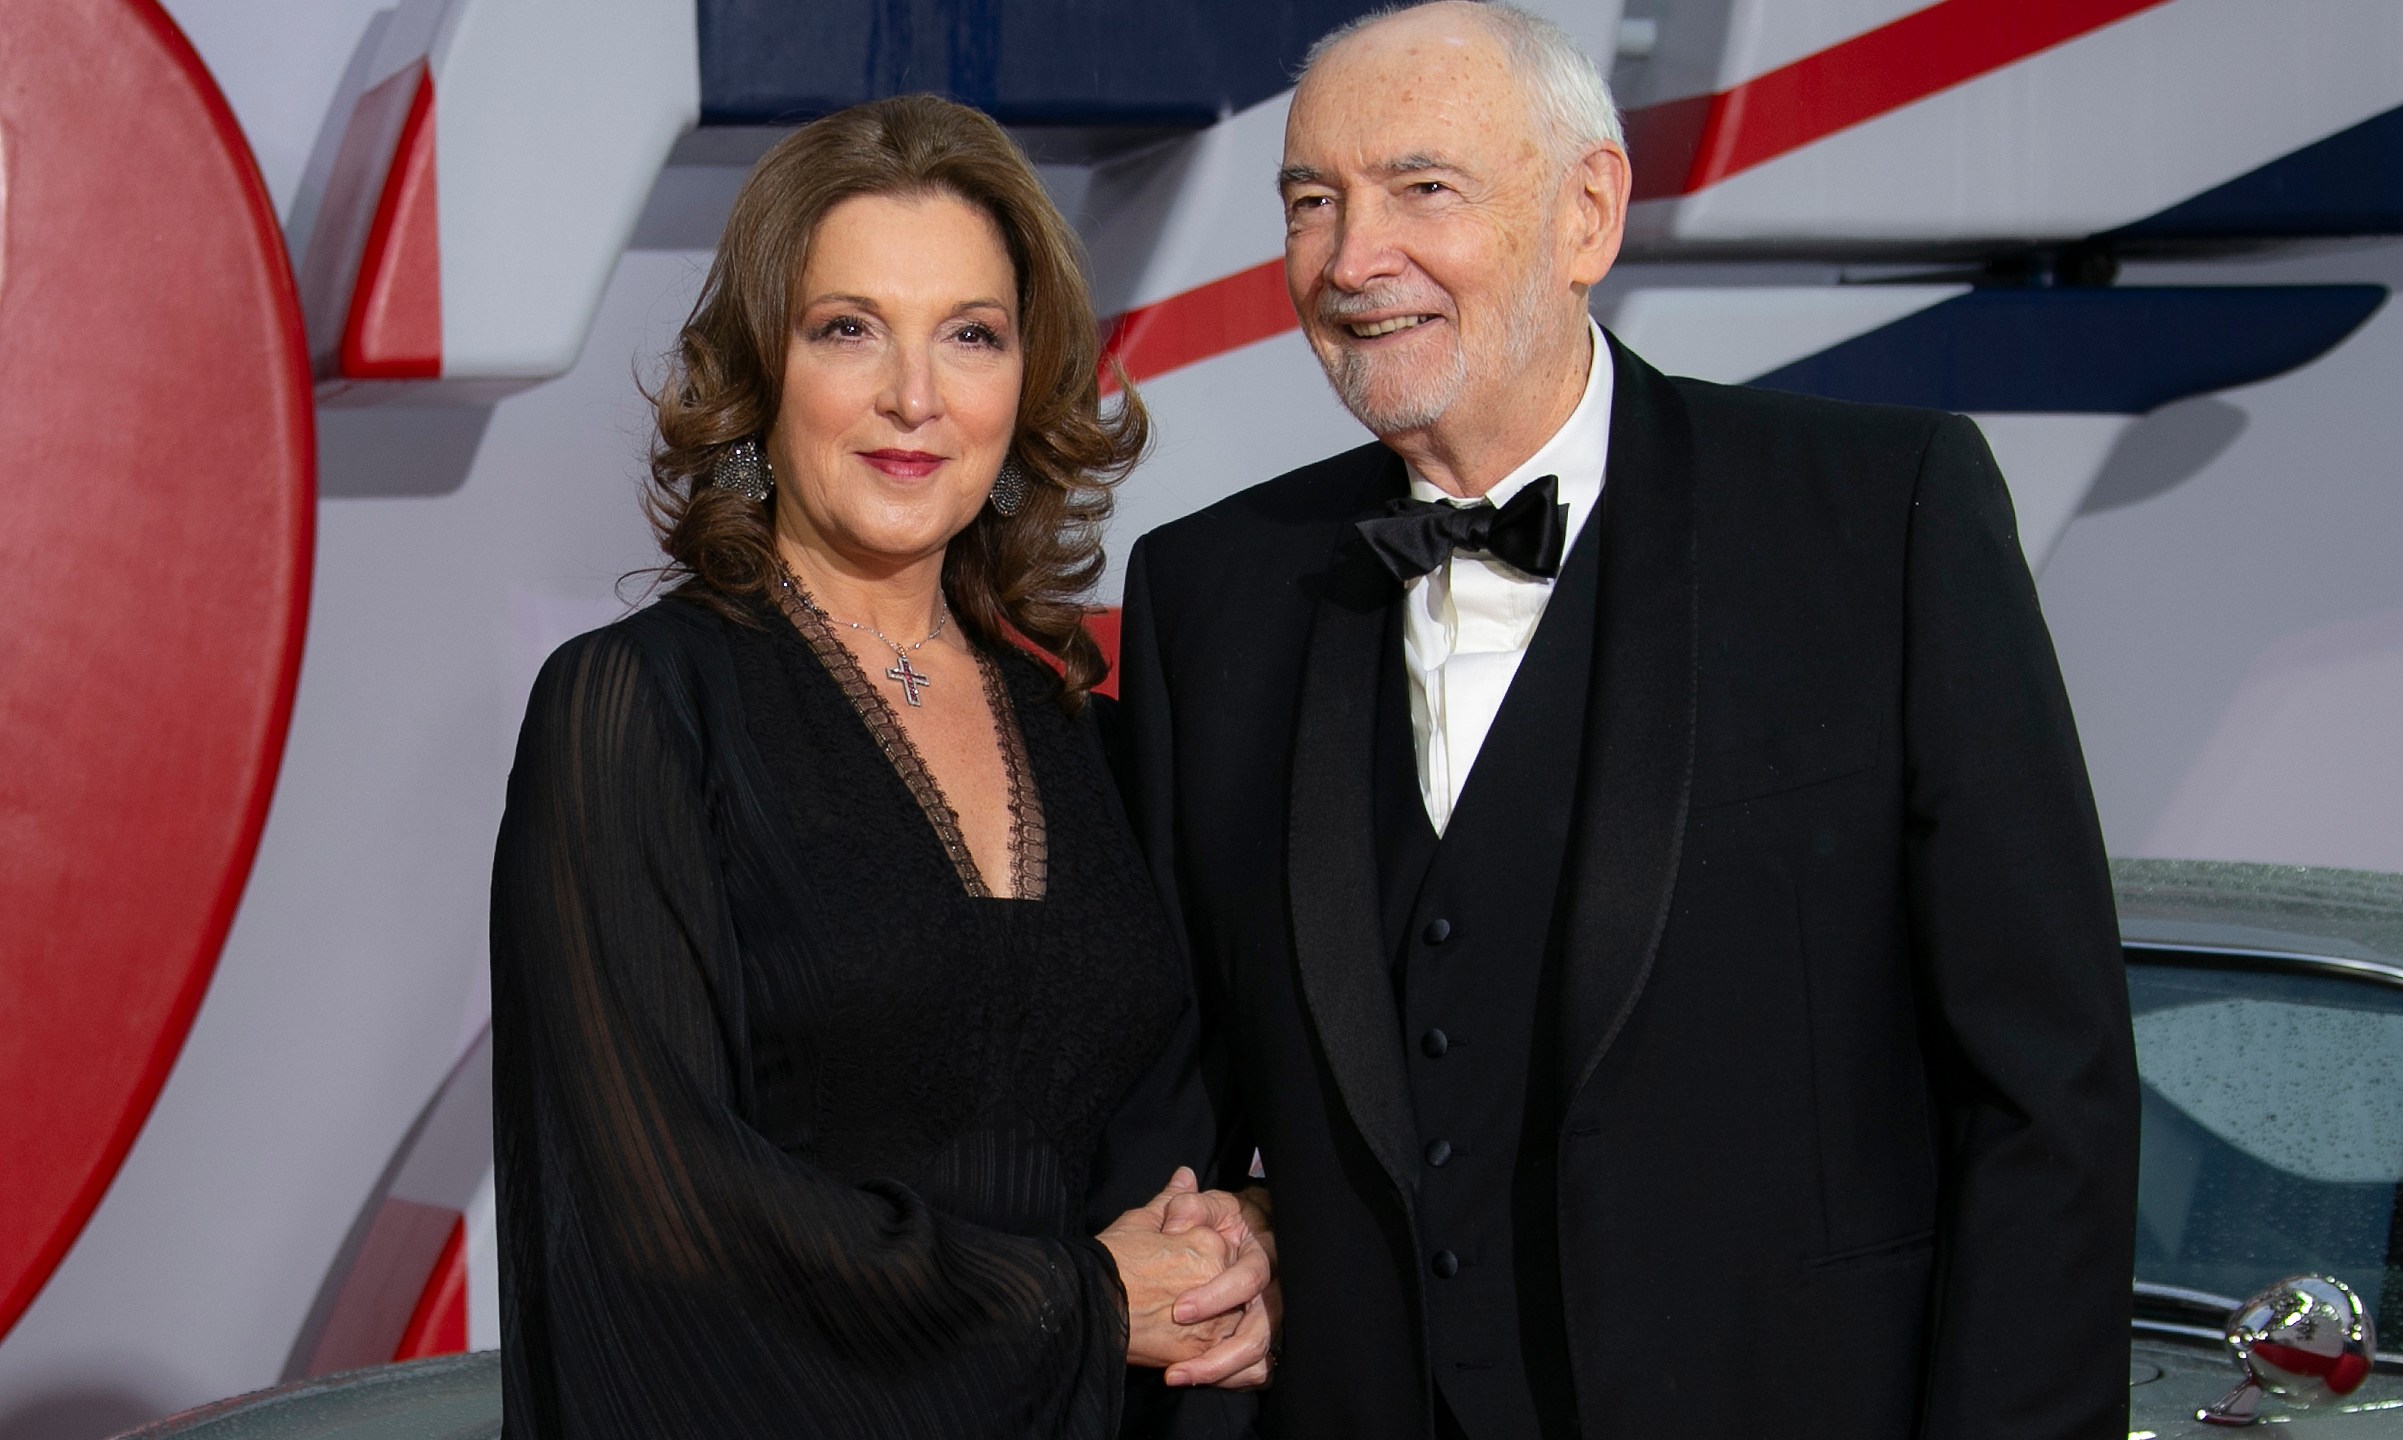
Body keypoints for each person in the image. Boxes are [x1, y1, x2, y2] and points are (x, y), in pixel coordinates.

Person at [1113, 4, 2140, 1437]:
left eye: (1423, 188)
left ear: (1587, 212)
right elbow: (1172, 1125)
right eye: (1311, 203)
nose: (1353, 262)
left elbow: (2051, 1097)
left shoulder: (1876, 518)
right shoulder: (1208, 594)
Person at [489, 94, 1271, 1439]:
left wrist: (1248, 1237)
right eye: (848, 329)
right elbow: (656, 1209)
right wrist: (1080, 1300)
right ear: (758, 369)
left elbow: (1180, 1139)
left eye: (970, 335)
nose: (915, 395)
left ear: (1026, 383)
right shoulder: (635, 710)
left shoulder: (1103, 738)